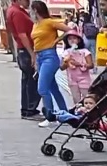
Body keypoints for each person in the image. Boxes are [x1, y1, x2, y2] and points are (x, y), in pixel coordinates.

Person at [29, 0, 71, 128]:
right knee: (53, 88)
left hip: (49, 56)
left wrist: (57, 40)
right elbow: (36, 42)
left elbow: (69, 30)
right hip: (41, 57)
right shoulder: (36, 24)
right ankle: (64, 114)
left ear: (36, 10)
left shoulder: (49, 22)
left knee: (42, 88)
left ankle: (50, 115)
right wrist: (35, 59)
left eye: (31, 9)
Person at [6, 0, 42, 120]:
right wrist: (32, 54)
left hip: (24, 50)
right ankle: (29, 109)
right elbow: (22, 34)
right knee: (32, 80)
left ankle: (28, 109)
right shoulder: (17, 13)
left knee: (27, 80)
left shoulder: (16, 11)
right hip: (26, 50)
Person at [61, 30, 94, 103]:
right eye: (69, 39)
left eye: (74, 38)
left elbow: (91, 65)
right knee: (76, 99)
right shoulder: (66, 52)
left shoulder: (85, 51)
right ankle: (78, 111)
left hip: (84, 79)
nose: (72, 40)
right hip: (72, 80)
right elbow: (62, 67)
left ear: (79, 40)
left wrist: (79, 64)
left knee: (87, 97)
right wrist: (67, 61)